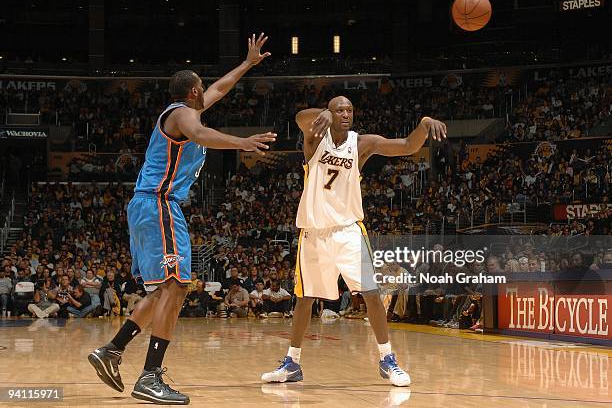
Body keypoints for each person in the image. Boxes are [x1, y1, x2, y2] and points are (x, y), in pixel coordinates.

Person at [88, 32, 275, 405]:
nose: (209, 91)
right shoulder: (183, 115)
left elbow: (221, 88)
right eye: (202, 88)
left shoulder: (186, 109)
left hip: (148, 206)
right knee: (177, 287)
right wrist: (241, 142)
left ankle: (112, 349)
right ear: (192, 92)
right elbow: (202, 133)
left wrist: (248, 64)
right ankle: (150, 376)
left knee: (163, 290)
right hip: (159, 205)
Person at [261, 96, 446, 386]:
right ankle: (292, 363)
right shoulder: (314, 138)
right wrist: (322, 113)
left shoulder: (361, 144)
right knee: (304, 300)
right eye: (339, 110)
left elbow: (408, 146)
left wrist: (423, 125)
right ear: (330, 113)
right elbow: (300, 117)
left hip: (347, 230)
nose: (345, 114)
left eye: (349, 110)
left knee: (371, 294)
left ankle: (387, 359)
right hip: (313, 233)